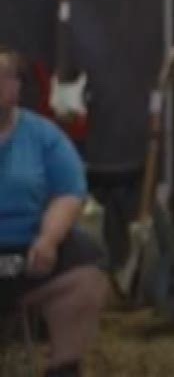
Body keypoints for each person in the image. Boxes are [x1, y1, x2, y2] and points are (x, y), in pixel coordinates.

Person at [0, 44, 108, 377]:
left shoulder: (44, 136)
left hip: (31, 249)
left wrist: (48, 239)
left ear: (18, 86)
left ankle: (63, 365)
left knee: (86, 268)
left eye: (5, 77)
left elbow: (68, 193)